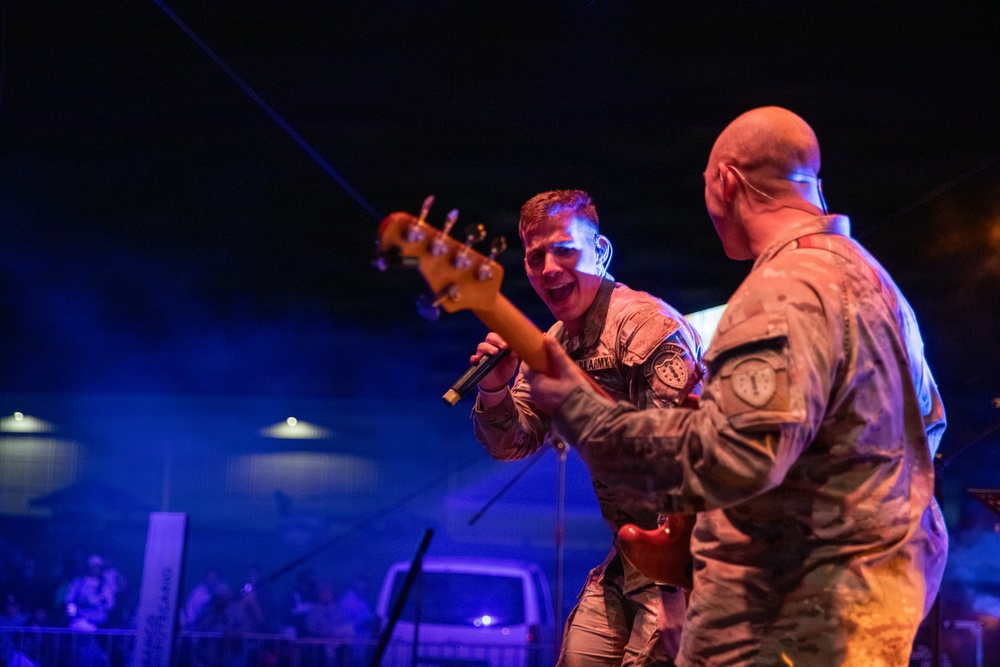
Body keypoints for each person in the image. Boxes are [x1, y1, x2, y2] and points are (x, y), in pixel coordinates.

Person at [523, 107, 948, 666]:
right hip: (866, 597)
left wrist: (581, 410)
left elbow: (729, 460)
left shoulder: (781, 290)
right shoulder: (875, 283)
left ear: (726, 181)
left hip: (782, 610)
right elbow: (928, 428)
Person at [470, 189, 704, 666]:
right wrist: (494, 389)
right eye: (536, 257)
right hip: (628, 559)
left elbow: (677, 463)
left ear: (600, 251)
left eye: (564, 249)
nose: (549, 268)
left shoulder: (648, 328)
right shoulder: (554, 344)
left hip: (687, 567)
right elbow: (514, 444)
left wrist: (674, 594)